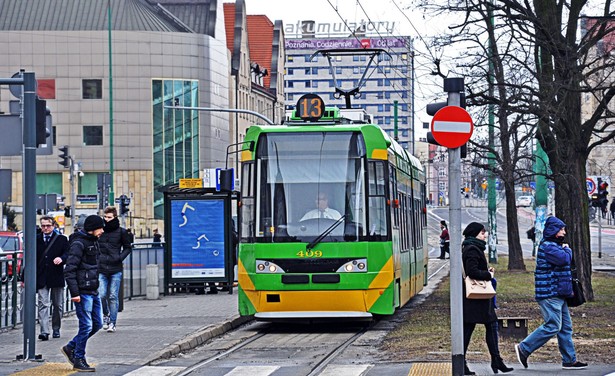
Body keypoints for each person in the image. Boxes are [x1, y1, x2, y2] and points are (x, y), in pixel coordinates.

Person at [515, 216, 588, 370]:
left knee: (565, 327)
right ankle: (524, 348)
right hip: (549, 293)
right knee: (553, 325)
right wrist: (567, 249)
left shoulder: (554, 245)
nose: (564, 232)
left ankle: (569, 360)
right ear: (554, 231)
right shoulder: (549, 246)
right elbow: (564, 259)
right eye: (561, 229)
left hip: (558, 292)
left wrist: (564, 249)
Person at [461, 222, 513, 375]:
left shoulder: (472, 247)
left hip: (477, 299)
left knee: (483, 326)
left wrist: (485, 270)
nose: (485, 235)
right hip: (476, 299)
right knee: (480, 326)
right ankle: (493, 360)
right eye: (482, 232)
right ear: (475, 234)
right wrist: (488, 275)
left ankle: (494, 360)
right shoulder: (472, 249)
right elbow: (472, 271)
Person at [62, 214, 105, 372]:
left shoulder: (94, 241)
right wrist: (75, 293)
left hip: (93, 290)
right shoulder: (79, 243)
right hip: (82, 291)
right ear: (92, 228)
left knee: (97, 324)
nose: (102, 231)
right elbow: (69, 270)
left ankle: (71, 347)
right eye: (100, 228)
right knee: (86, 326)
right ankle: (79, 358)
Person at [98, 206, 132, 333]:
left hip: (115, 268)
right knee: (101, 294)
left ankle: (113, 322)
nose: (106, 220)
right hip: (101, 267)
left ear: (115, 217)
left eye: (109, 217)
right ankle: (105, 315)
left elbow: (128, 247)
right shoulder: (100, 231)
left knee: (113, 296)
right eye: (105, 217)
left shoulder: (121, 232)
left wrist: (119, 258)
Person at [36, 216, 69, 341]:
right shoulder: (36, 239)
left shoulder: (61, 239)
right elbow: (30, 258)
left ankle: (56, 328)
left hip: (56, 275)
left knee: (57, 305)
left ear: (53, 226)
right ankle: (44, 331)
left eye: (48, 226)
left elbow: (67, 253)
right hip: (42, 276)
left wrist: (62, 259)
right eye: (43, 226)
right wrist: (24, 278)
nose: (45, 228)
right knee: (43, 304)